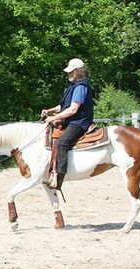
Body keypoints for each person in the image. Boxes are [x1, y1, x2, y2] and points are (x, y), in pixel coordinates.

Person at [41, 58, 94, 190]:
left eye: (71, 72)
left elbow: (73, 109)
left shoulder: (81, 86)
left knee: (62, 142)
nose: (68, 74)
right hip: (72, 120)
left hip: (80, 122)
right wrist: (49, 111)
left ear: (77, 72)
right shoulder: (72, 86)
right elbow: (63, 106)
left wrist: (53, 118)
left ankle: (59, 179)